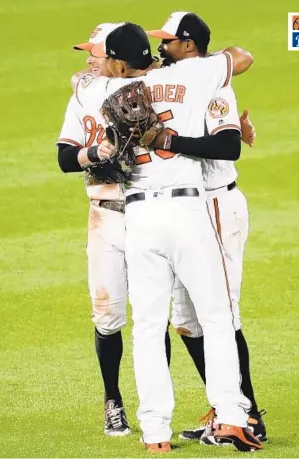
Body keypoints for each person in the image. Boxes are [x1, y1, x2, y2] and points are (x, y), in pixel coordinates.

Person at [75, 22, 263, 453]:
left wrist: (118, 77)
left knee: (146, 328)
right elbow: (239, 57)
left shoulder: (100, 90)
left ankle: (156, 433)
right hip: (188, 211)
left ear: (118, 62)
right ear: (151, 53)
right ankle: (232, 417)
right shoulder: (190, 75)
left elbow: (82, 79)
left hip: (140, 217)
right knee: (216, 318)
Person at [147, 12, 267, 443]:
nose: (161, 48)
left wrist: (169, 141)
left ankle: (247, 414)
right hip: (190, 209)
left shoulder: (211, 81)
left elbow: (228, 145)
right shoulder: (178, 80)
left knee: (223, 315)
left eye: (168, 42)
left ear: (189, 45)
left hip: (217, 203)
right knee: (186, 319)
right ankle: (223, 404)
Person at [56, 22, 171, 437]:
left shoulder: (137, 86)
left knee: (153, 315)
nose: (87, 59)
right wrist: (92, 152)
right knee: (108, 317)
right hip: (104, 214)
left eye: (95, 53)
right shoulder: (85, 92)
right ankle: (113, 401)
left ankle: (156, 405)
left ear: (117, 61)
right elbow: (65, 158)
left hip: (147, 211)